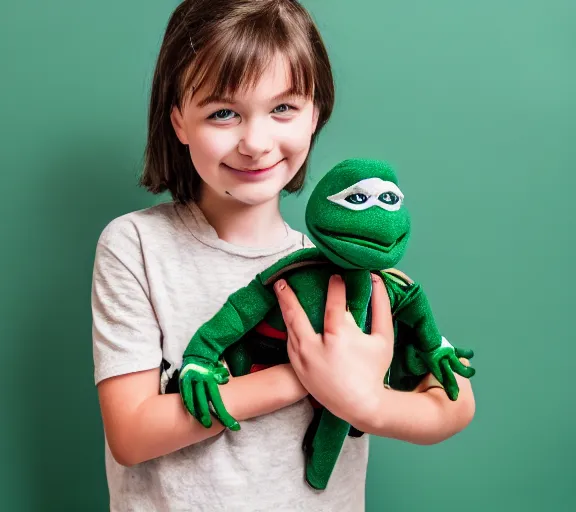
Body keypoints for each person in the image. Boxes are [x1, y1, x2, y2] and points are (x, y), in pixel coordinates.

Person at [91, 1, 475, 510]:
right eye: (223, 112)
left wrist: (366, 401)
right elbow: (132, 433)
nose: (255, 142)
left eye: (283, 109)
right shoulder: (136, 246)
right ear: (180, 121)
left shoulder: (348, 268)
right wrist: (305, 376)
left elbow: (454, 403)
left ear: (314, 113)